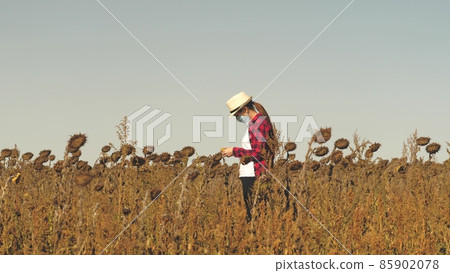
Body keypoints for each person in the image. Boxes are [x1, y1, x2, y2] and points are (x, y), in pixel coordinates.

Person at [221, 91, 276, 223]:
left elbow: (258, 153)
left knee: (254, 215)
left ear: (245, 110)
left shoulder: (258, 124)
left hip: (254, 174)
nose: (237, 118)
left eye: (237, 115)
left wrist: (234, 151)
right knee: (252, 213)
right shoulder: (254, 124)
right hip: (249, 173)